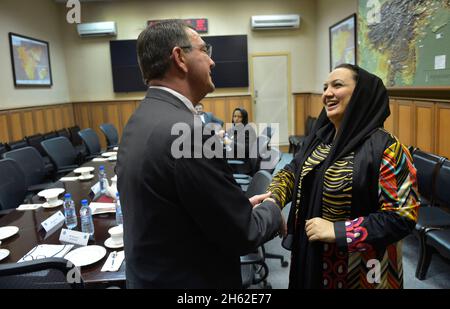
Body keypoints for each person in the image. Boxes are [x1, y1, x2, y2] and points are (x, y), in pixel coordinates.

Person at [116, 20, 283, 289]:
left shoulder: (140, 118)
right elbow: (245, 235)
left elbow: (180, 206)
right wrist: (273, 209)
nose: (213, 62)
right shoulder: (189, 132)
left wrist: (234, 208)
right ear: (179, 58)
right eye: (205, 50)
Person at [266, 63, 419, 289]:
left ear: (361, 94)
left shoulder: (387, 148)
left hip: (362, 269)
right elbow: (292, 172)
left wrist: (338, 231)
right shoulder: (321, 139)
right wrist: (274, 199)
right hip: (312, 257)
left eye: (337, 85)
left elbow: (401, 217)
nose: (327, 93)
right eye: (325, 87)